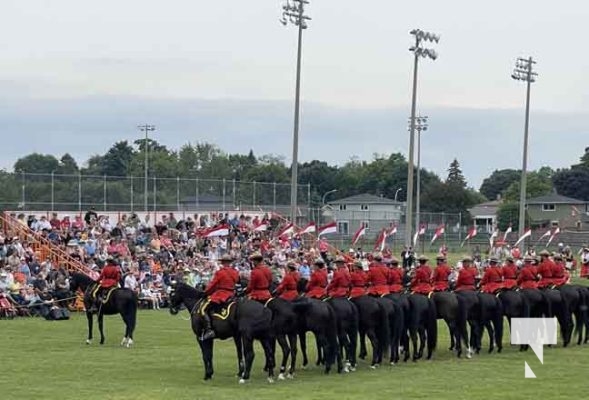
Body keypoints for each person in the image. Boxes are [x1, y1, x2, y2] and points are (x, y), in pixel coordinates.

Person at [201, 254, 239, 340]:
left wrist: (206, 292)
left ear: (222, 262)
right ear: (229, 263)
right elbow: (236, 281)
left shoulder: (220, 272)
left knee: (204, 309)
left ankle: (209, 330)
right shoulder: (235, 272)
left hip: (221, 294)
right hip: (232, 294)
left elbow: (212, 285)